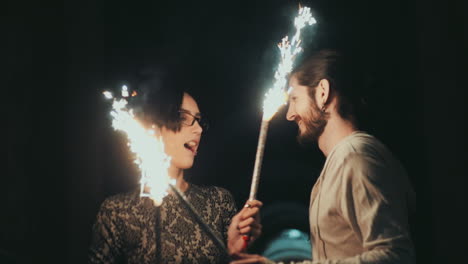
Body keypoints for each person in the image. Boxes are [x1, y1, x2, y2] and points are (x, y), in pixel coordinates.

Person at [231, 49, 416, 263]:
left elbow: (396, 256)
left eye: (295, 98)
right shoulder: (340, 161)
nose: (290, 114)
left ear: (322, 92)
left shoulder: (355, 157)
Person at [88, 68, 262, 264]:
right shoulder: (117, 211)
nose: (198, 129)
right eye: (184, 117)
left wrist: (236, 253)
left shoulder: (218, 202)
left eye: (198, 120)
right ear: (154, 126)